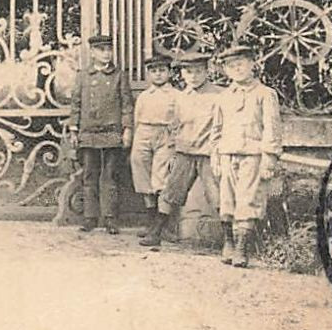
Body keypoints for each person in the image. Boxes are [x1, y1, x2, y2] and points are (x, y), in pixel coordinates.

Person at [145, 50, 224, 252]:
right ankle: (157, 233)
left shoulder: (219, 95)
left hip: (207, 154)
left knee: (217, 196)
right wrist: (173, 151)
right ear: (182, 74)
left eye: (198, 71)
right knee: (170, 192)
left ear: (207, 71)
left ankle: (230, 241)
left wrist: (219, 153)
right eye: (188, 72)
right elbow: (175, 126)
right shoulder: (181, 97)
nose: (193, 76)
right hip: (184, 153)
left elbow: (224, 126)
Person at [213, 44, 281, 268]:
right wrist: (216, 155)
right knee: (227, 199)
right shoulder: (223, 96)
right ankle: (229, 242)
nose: (237, 69)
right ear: (225, 70)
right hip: (227, 153)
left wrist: (269, 158)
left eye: (241, 63)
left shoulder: (265, 94)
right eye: (231, 66)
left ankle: (242, 248)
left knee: (248, 199)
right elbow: (217, 129)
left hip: (252, 155)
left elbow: (271, 128)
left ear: (253, 64)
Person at [65, 34, 128, 235]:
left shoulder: (119, 75)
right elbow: (76, 104)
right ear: (92, 52)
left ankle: (110, 218)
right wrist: (74, 130)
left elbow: (127, 105)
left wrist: (127, 129)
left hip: (111, 133)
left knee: (110, 176)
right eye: (101, 50)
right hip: (88, 133)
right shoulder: (83, 76)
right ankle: (90, 217)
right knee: (89, 175)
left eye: (109, 49)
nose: (106, 54)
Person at [130, 54, 178, 245]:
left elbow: (179, 121)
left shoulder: (176, 95)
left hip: (164, 135)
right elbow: (136, 119)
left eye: (162, 71)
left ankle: (161, 226)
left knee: (161, 179)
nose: (158, 75)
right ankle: (151, 222)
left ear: (169, 73)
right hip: (143, 133)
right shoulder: (144, 96)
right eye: (154, 71)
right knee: (142, 177)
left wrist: (173, 141)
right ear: (148, 74)